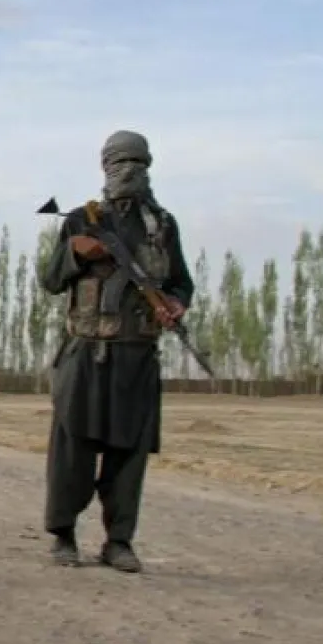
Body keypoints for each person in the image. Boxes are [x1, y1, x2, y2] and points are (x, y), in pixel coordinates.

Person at [38, 130, 195, 574]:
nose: (129, 171)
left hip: (137, 355)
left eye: (138, 163)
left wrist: (175, 304)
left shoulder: (162, 226)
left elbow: (181, 283)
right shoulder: (81, 219)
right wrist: (77, 253)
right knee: (72, 449)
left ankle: (119, 541)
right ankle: (64, 535)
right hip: (85, 353)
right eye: (121, 163)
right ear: (105, 167)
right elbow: (51, 280)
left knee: (130, 454)